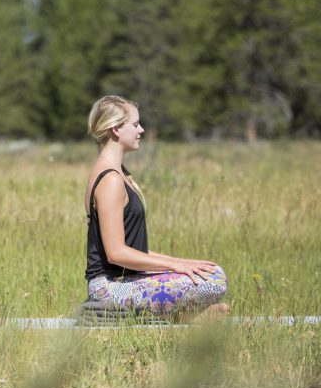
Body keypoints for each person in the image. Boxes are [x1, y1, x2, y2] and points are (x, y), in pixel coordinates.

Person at [84, 95, 228, 316]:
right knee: (214, 281)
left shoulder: (118, 174)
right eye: (135, 124)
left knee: (209, 272)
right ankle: (175, 316)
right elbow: (115, 253)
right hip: (109, 288)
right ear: (116, 129)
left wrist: (180, 262)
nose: (141, 130)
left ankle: (181, 315)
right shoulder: (110, 180)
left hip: (127, 278)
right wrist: (174, 266)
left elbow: (133, 249)